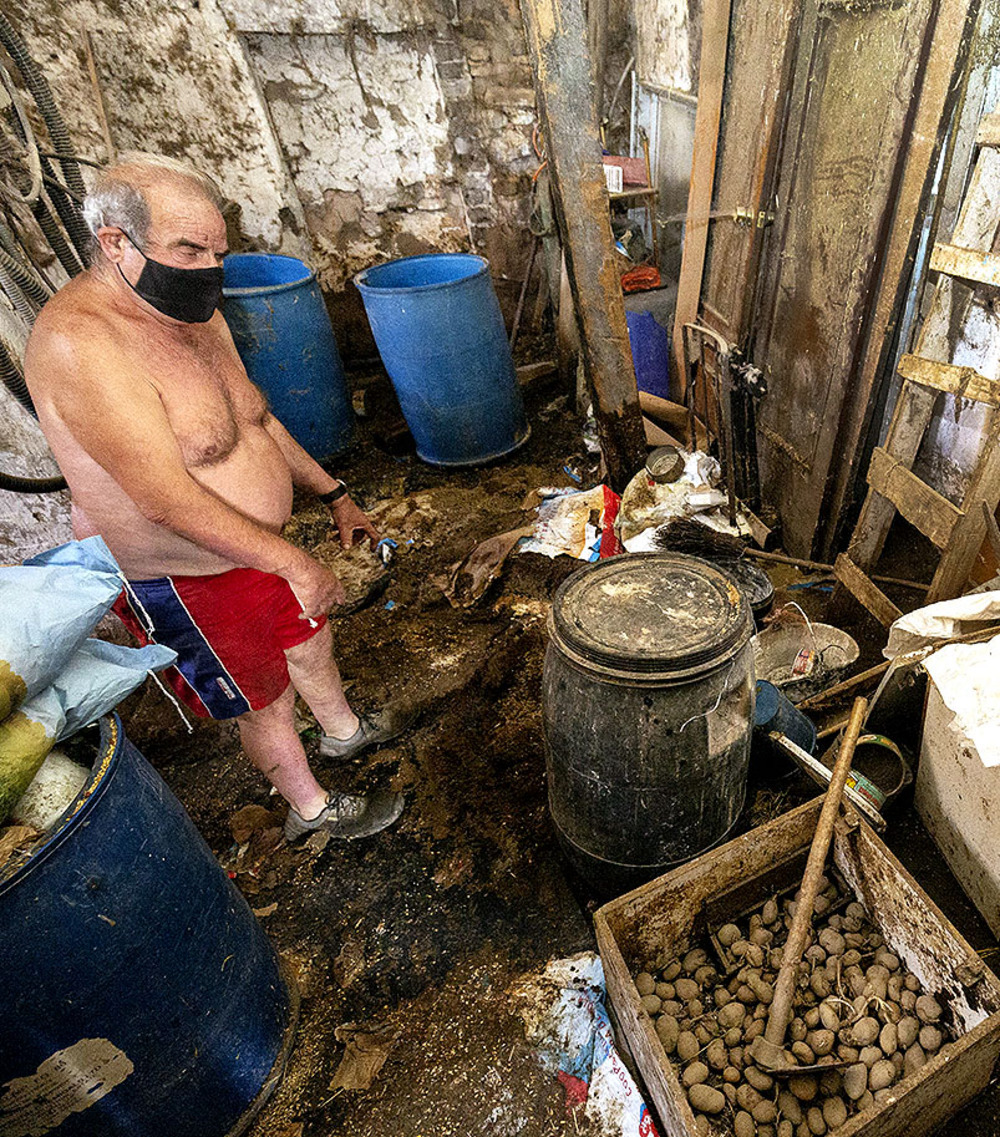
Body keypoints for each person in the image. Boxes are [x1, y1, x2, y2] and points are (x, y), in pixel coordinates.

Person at [24, 153, 405, 841]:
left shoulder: (188, 308)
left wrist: (333, 492)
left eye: (218, 252)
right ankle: (310, 806)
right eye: (188, 249)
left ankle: (344, 731)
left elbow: (254, 418)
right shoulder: (81, 343)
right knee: (264, 699)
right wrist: (293, 561)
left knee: (310, 638)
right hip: (187, 574)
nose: (208, 269)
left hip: (257, 549)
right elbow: (164, 498)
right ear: (116, 242)